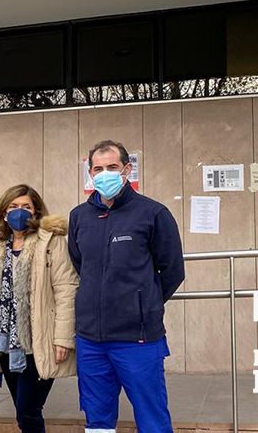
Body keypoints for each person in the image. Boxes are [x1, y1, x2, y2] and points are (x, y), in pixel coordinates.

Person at [68, 140, 186, 433]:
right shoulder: (79, 217)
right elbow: (80, 264)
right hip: (90, 340)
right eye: (98, 168)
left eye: (112, 167)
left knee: (152, 417)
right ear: (90, 173)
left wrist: (143, 304)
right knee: (97, 420)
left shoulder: (153, 213)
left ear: (127, 170)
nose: (105, 173)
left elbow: (172, 270)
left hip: (138, 340)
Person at [0, 184, 78, 433]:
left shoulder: (51, 241)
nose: (19, 212)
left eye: (26, 207)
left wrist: (63, 339)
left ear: (36, 212)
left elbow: (67, 289)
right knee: (25, 412)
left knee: (28, 411)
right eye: (13, 206)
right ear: (3, 212)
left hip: (39, 342)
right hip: (5, 344)